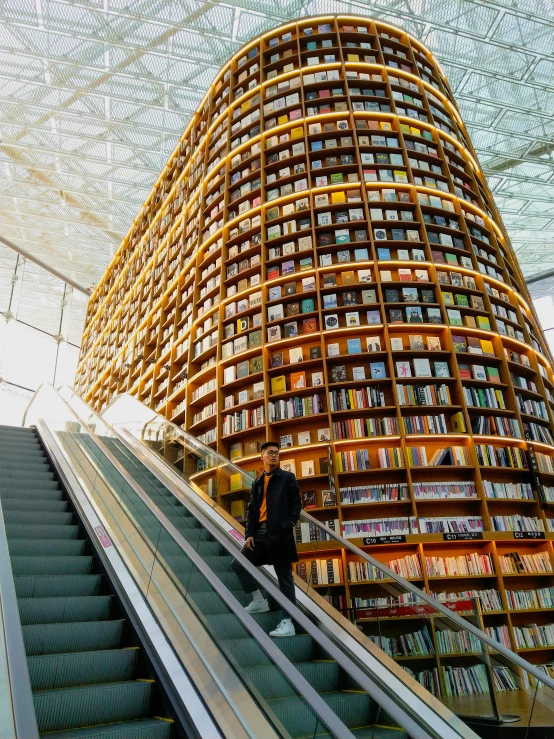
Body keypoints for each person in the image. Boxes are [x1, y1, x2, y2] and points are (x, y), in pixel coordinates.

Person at [231, 441, 301, 637]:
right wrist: (249, 534)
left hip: (280, 533)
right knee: (238, 564)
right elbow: (252, 510)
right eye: (270, 453)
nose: (274, 456)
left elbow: (297, 504)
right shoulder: (257, 482)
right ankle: (259, 601)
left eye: (277, 453)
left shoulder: (287, 478)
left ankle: (288, 623)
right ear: (262, 456)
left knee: (284, 578)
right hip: (260, 534)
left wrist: (288, 525)